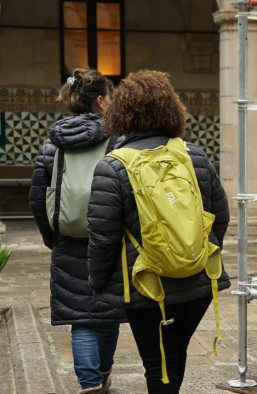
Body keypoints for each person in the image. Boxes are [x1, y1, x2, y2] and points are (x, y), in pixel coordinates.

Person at [86, 69, 231, 393]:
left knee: (157, 363)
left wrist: (98, 282)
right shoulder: (195, 156)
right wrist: (194, 250)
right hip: (197, 283)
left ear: (121, 113)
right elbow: (220, 217)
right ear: (171, 108)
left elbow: (103, 238)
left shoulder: (112, 166)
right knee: (175, 355)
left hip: (146, 286)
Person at [29, 68, 125, 394]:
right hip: (110, 239)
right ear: (100, 101)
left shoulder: (51, 145)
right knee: (108, 313)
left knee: (81, 319)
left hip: (68, 240)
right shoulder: (118, 141)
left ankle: (90, 385)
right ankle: (105, 371)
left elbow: (37, 198)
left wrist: (51, 237)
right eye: (109, 97)